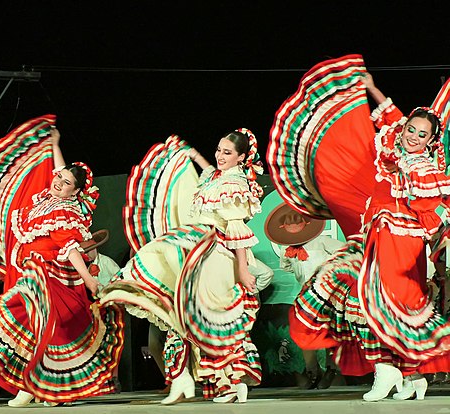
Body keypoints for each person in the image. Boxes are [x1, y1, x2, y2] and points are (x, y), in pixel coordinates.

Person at [269, 54, 450, 402]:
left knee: (389, 303)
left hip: (401, 241)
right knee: (368, 300)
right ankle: (404, 375)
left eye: (421, 134)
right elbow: (392, 115)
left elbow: (429, 211)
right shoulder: (394, 140)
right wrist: (369, 87)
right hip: (376, 233)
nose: (412, 135)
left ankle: (397, 373)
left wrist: (409, 180)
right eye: (412, 129)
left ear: (431, 141)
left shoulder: (423, 167)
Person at [0, 117, 124, 407]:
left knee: (44, 330)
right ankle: (44, 388)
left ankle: (34, 387)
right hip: (31, 274)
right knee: (33, 329)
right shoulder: (45, 200)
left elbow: (72, 249)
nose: (59, 183)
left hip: (50, 277)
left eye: (67, 183)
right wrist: (55, 144)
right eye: (58, 179)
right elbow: (59, 169)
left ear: (76, 192)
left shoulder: (66, 211)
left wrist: (89, 280)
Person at [101, 130, 271, 404]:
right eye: (219, 149)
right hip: (199, 247)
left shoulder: (236, 185)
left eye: (227, 153)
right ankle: (185, 379)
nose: (220, 156)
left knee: (210, 317)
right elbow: (209, 173)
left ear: (242, 157)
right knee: (183, 311)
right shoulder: (217, 178)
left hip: (217, 252)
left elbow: (237, 230)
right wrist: (194, 155)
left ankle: (231, 381)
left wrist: (242, 269)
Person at [264, 205, 344, 388]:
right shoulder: (289, 249)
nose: (293, 223)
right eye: (288, 220)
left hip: (327, 293)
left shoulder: (322, 241)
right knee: (304, 332)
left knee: (330, 331)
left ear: (306, 222)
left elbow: (345, 252)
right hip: (306, 294)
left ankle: (332, 369)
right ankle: (312, 371)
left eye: (296, 219)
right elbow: (286, 266)